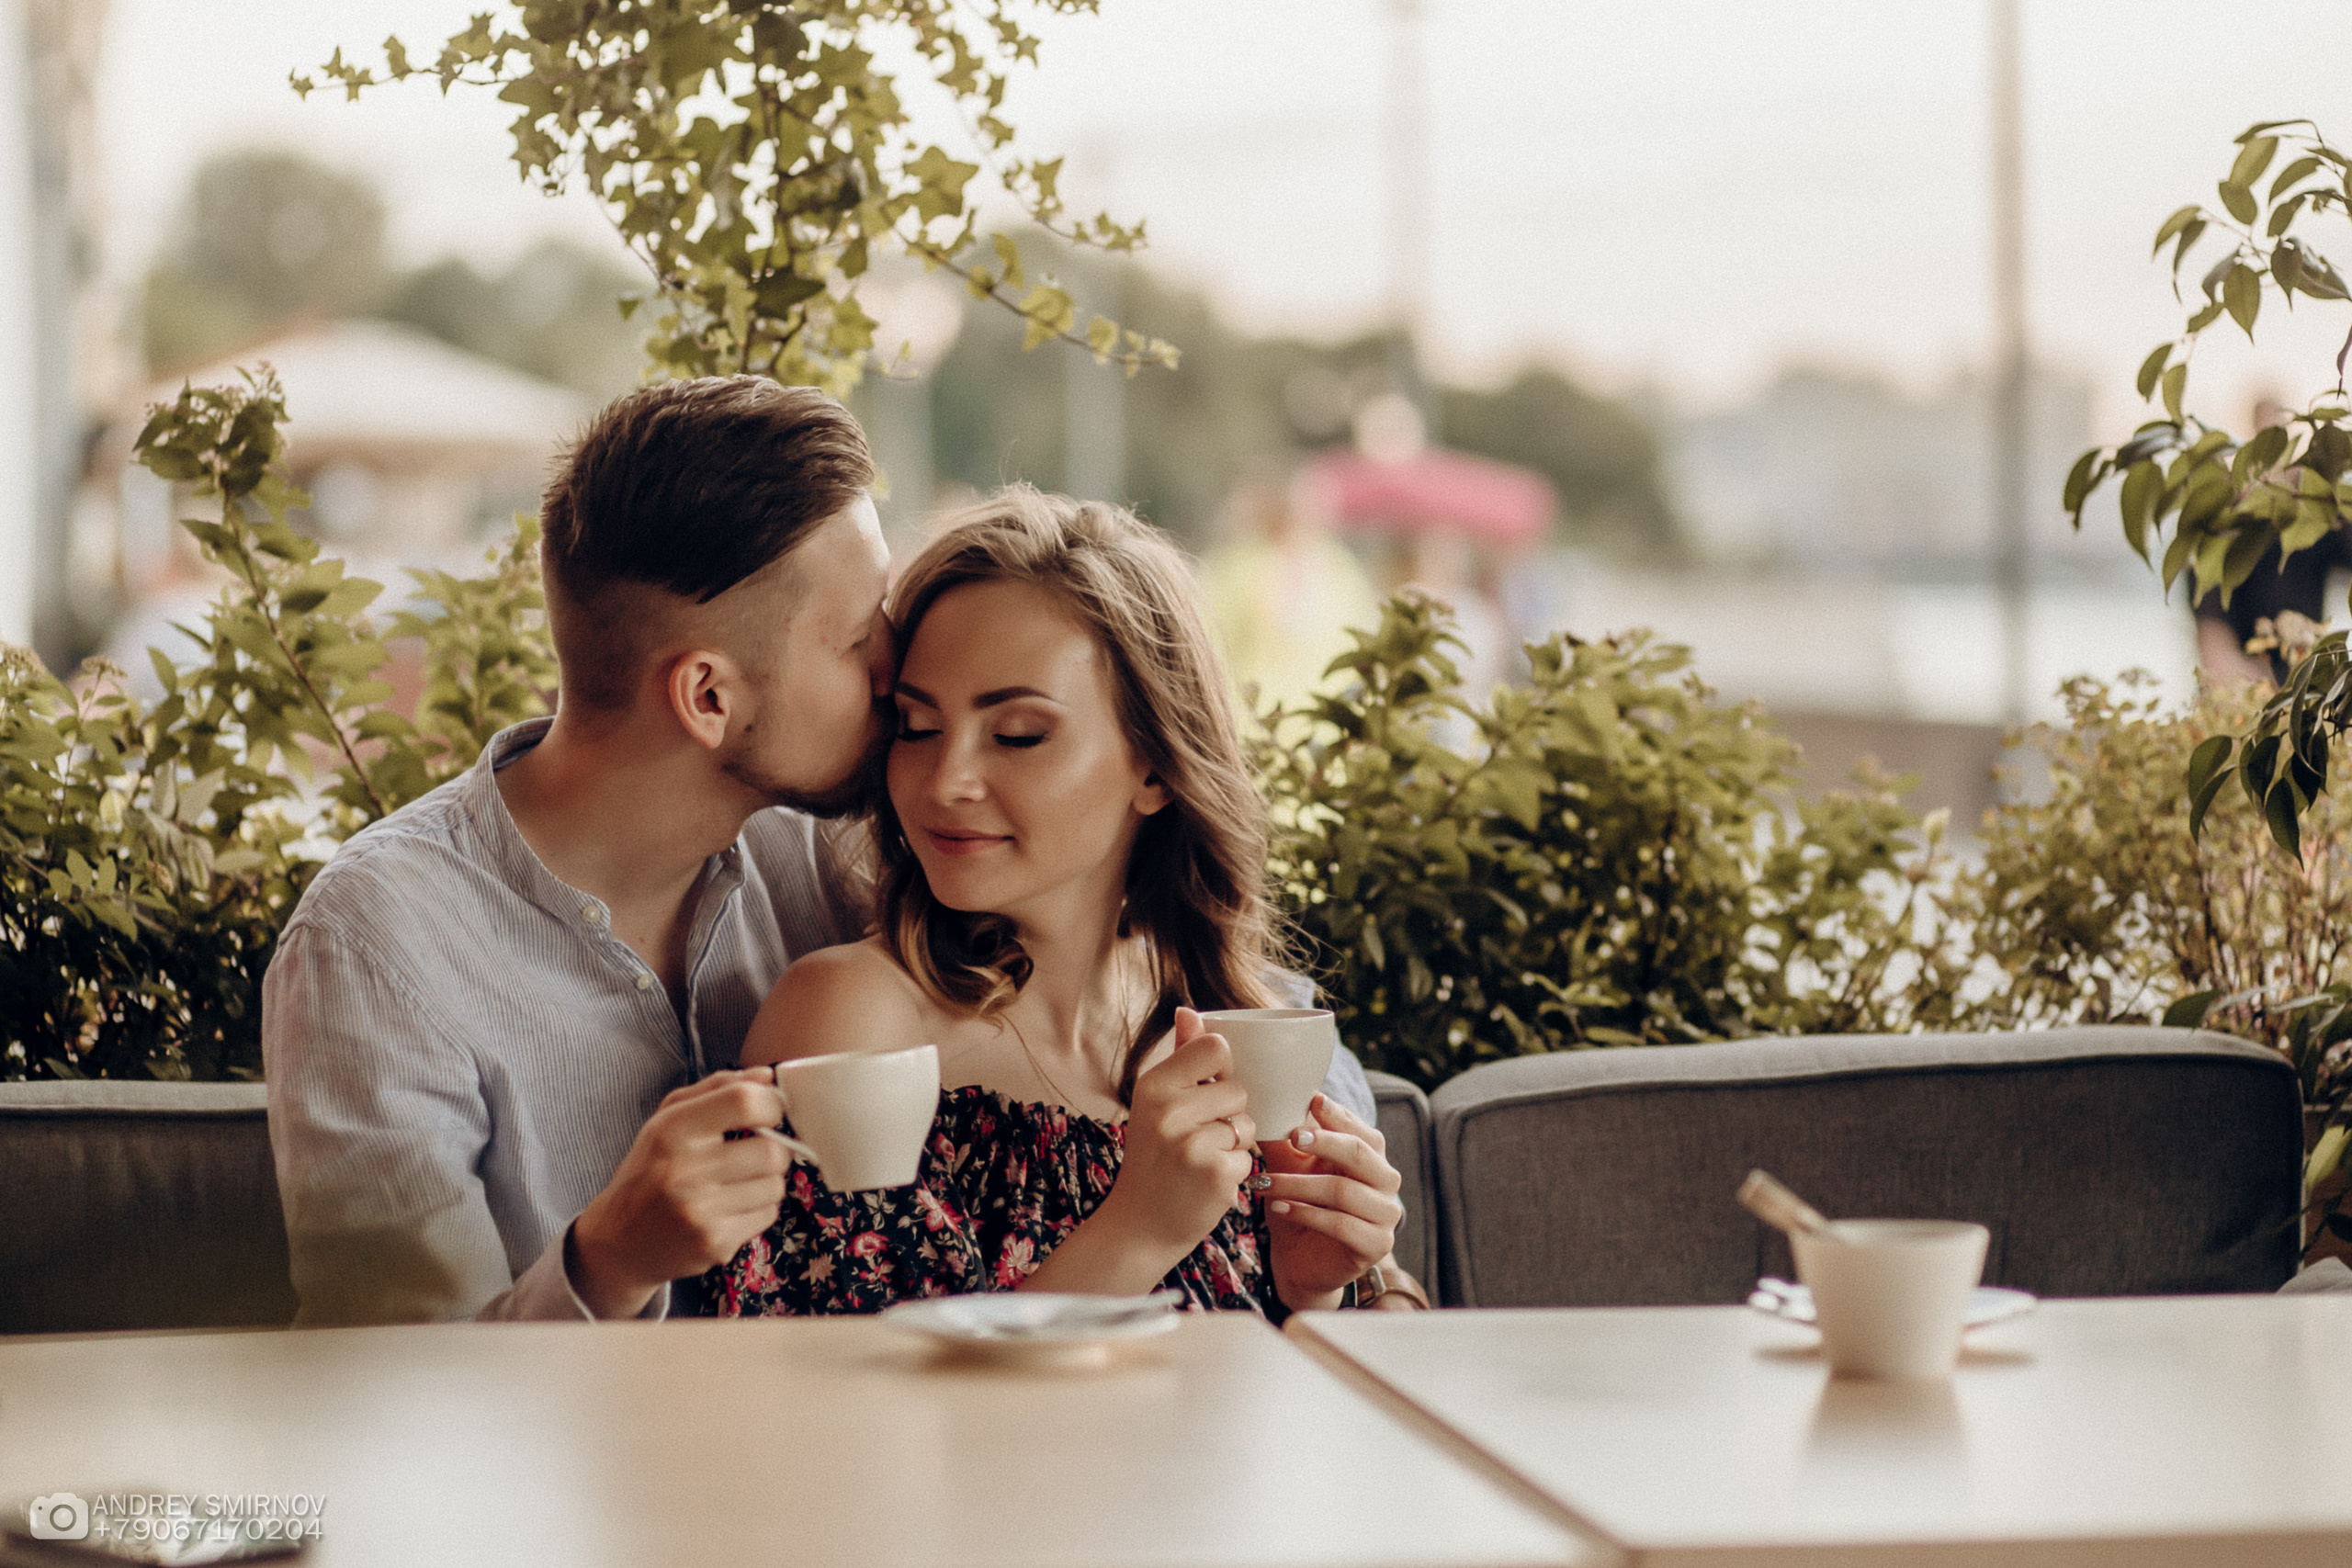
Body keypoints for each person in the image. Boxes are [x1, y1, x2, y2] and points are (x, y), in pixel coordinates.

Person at [263, 378, 1380, 1325]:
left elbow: (1162, 966)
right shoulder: (381, 945)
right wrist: (605, 1260)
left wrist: (1322, 1213)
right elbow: (394, 1406)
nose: (902, 674)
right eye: (860, 642)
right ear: (708, 696)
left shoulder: (840, 853)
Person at [709, 487, 1420, 1318]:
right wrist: (1138, 1230)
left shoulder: (1227, 1023)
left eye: (1018, 734)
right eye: (916, 725)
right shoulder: (852, 1023)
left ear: (1155, 765)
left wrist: (1315, 1289)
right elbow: (840, 1411)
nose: (947, 781)